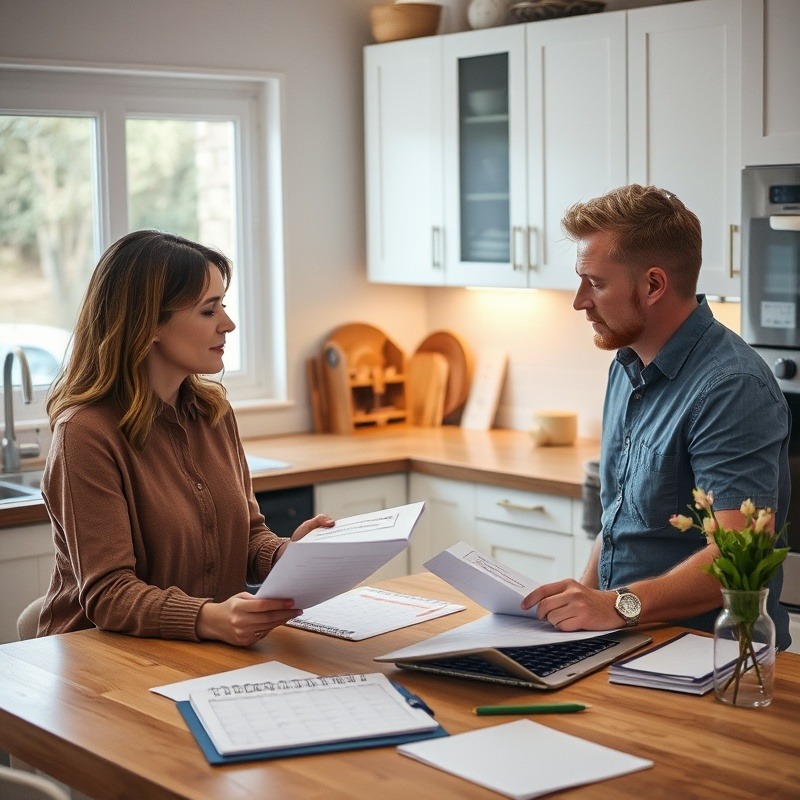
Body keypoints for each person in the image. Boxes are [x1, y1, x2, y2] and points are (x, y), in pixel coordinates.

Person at [521, 184, 791, 650]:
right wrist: (587, 598)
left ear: (652, 285)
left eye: (596, 283)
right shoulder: (626, 366)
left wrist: (615, 606)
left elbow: (738, 554)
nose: (580, 300)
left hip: (709, 658)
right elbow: (619, 519)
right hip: (627, 641)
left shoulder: (731, 387)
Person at [38, 230, 334, 646]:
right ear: (149, 323)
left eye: (223, 307)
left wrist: (288, 557)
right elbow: (108, 595)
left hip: (202, 652)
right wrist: (209, 619)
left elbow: (247, 537)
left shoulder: (213, 414)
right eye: (208, 311)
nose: (228, 324)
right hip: (100, 663)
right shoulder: (85, 434)